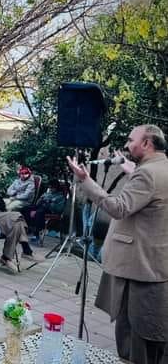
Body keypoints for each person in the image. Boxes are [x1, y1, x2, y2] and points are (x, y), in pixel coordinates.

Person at [67, 124, 168, 364]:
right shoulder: (159, 168)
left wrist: (85, 181)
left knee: (135, 337)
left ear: (147, 143)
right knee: (151, 336)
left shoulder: (148, 174)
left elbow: (119, 207)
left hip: (138, 268)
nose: (126, 144)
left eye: (131, 139)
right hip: (155, 264)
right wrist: (132, 171)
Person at [0, 167, 43, 270]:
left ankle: (7, 257)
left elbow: (1, 202)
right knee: (17, 216)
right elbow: (8, 193)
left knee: (17, 224)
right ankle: (26, 251)